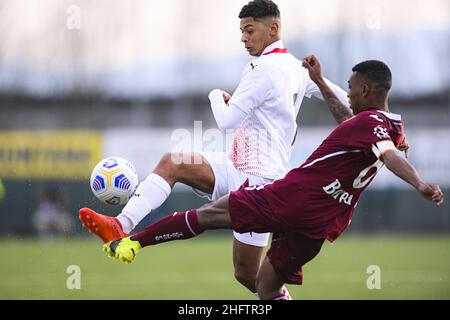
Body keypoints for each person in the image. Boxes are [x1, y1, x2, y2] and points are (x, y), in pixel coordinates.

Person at [81, 0, 362, 296]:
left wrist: (216, 95)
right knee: (174, 162)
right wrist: (381, 123)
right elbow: (347, 101)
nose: (243, 38)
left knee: (247, 275)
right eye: (241, 31)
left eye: (249, 30)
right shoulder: (296, 68)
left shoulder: (263, 69)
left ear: (274, 28)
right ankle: (120, 224)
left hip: (260, 183)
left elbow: (227, 122)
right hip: (238, 167)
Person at [101, 57, 444, 300]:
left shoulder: (373, 129)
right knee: (265, 286)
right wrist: (320, 82)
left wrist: (420, 184)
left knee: (209, 215)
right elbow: (363, 129)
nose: (348, 94)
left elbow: (390, 155)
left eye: (352, 88)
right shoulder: (389, 126)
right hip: (322, 222)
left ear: (366, 89)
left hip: (292, 198)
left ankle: (132, 243)